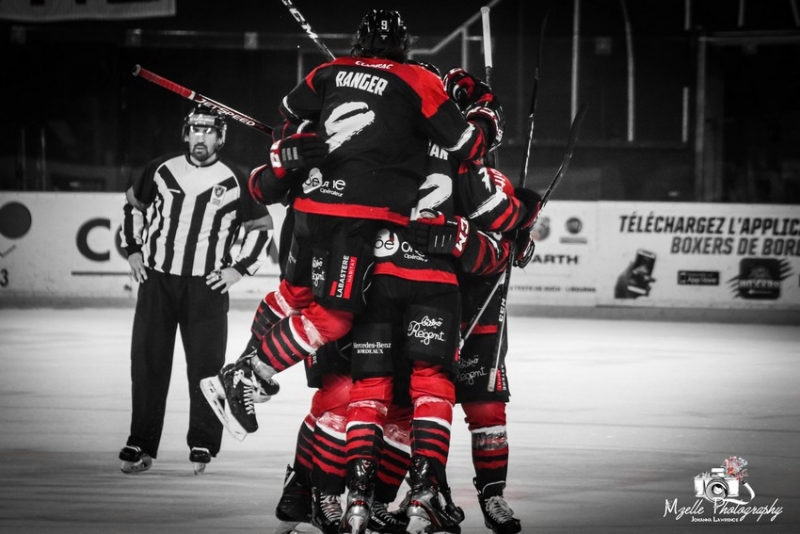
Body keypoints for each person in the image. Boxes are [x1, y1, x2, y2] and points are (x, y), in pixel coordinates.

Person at [200, 9, 499, 451]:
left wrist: (301, 138)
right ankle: (248, 371)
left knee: (294, 295)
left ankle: (251, 368)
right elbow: (471, 145)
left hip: (309, 210)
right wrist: (483, 107)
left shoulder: (330, 70)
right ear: (405, 45)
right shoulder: (418, 79)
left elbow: (286, 115)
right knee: (336, 316)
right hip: (356, 217)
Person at [117, 104, 272, 475]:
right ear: (185, 134)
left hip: (207, 285)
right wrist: (134, 250)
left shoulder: (237, 178)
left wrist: (238, 269)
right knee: (148, 363)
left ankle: (202, 441)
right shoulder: (160, 168)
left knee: (205, 368)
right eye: (194, 130)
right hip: (156, 282)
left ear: (221, 137)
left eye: (209, 131)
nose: (200, 137)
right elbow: (133, 209)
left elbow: (262, 228)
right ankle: (141, 441)